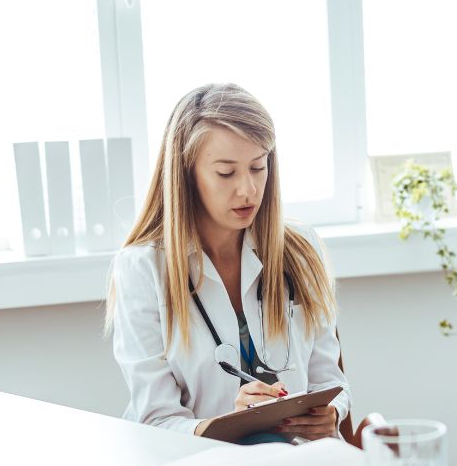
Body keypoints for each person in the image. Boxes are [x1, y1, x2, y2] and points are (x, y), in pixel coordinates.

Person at [106, 83, 350, 443]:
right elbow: (155, 419)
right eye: (225, 173)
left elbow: (331, 381)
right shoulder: (142, 269)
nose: (247, 190)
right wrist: (229, 425)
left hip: (303, 461)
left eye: (258, 167)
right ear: (186, 174)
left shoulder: (301, 249)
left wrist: (330, 413)